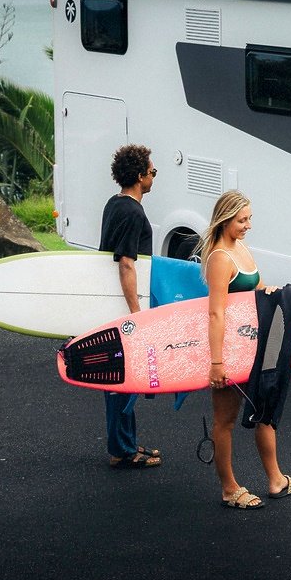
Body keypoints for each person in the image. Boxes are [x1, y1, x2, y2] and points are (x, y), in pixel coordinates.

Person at [200, 190, 291, 509]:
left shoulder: (240, 247)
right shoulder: (220, 257)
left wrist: (265, 289)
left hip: (253, 346)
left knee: (265, 411)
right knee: (225, 420)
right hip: (230, 350)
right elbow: (216, 312)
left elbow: (252, 288)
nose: (248, 225)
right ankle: (229, 488)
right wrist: (217, 362)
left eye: (249, 219)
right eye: (242, 220)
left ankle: (275, 479)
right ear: (225, 220)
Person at [99, 144, 162, 468]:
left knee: (122, 378)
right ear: (139, 176)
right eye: (152, 171)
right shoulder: (132, 212)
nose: (154, 177)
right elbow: (125, 263)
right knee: (119, 381)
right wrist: (136, 313)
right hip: (122, 309)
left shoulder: (115, 203)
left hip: (112, 304)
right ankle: (122, 451)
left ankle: (126, 442)